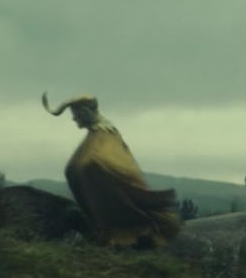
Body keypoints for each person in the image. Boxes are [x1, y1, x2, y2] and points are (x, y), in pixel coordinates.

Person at [42, 92, 181, 248]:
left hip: (114, 203)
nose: (74, 118)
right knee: (77, 168)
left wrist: (92, 169)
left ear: (85, 112)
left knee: (85, 166)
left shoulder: (105, 134)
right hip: (99, 206)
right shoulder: (95, 134)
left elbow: (102, 161)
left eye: (76, 114)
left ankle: (122, 230)